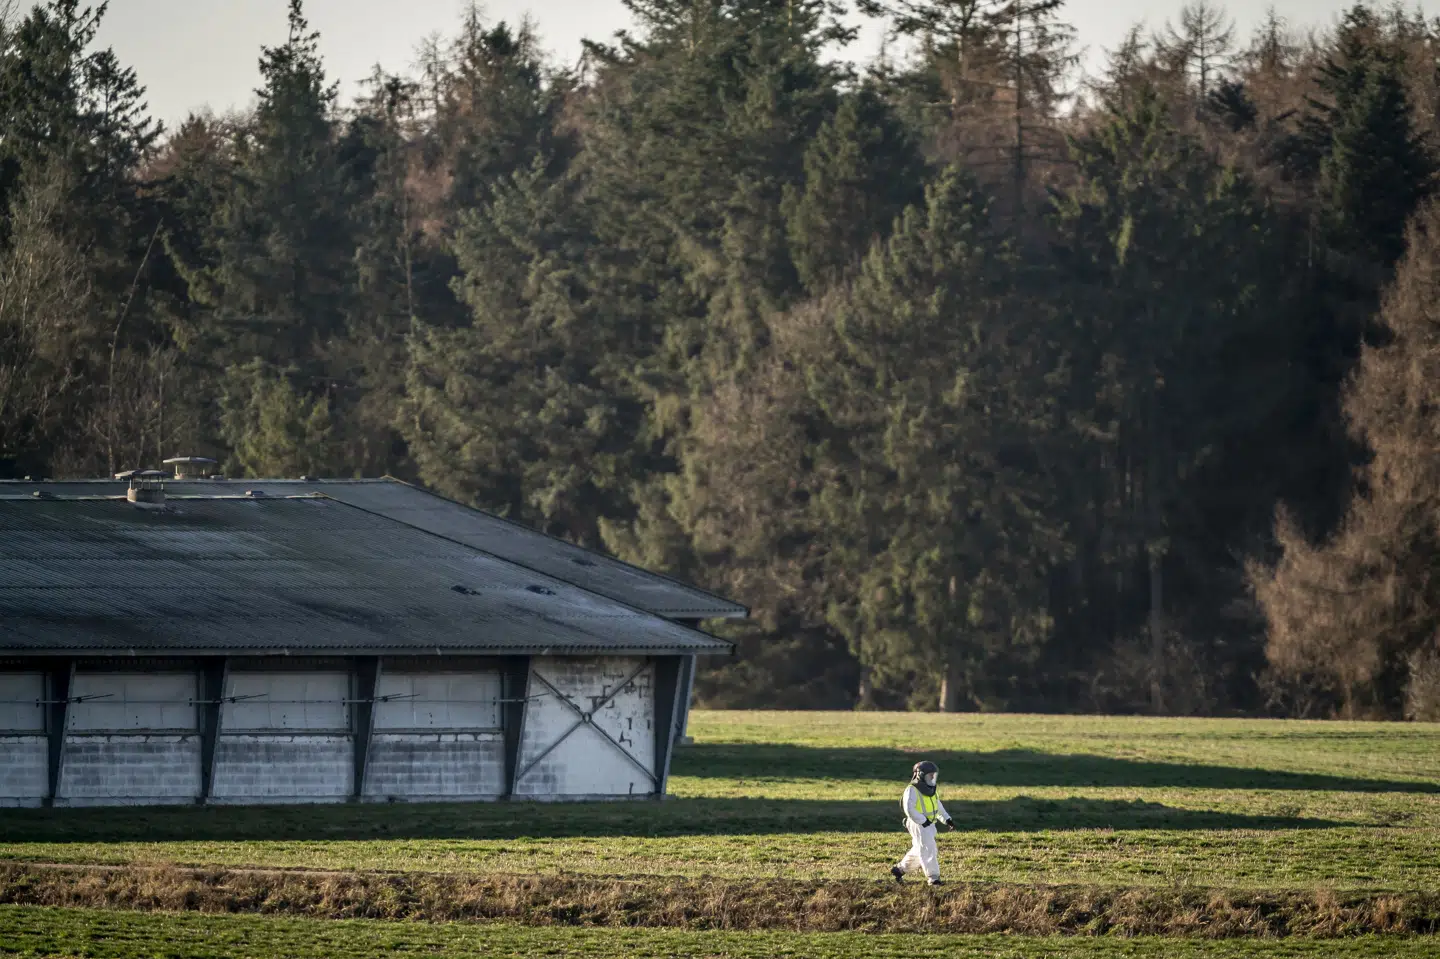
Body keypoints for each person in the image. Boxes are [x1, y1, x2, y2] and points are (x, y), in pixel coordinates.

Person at [890, 760, 955, 886]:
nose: (932, 778)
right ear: (920, 775)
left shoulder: (932, 789)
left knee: (920, 848)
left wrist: (946, 818)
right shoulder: (912, 789)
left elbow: (938, 805)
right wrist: (922, 820)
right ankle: (933, 878)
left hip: (929, 824)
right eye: (929, 775)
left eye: (934, 775)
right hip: (918, 824)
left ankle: (899, 869)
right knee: (928, 849)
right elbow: (909, 809)